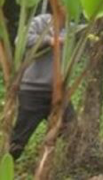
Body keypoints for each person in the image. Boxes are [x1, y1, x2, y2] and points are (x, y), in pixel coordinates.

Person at [10, 13, 76, 160]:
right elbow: (20, 40)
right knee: (19, 138)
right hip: (33, 91)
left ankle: (74, 169)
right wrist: (49, 40)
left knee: (73, 132)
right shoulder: (41, 22)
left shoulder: (71, 28)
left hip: (59, 92)